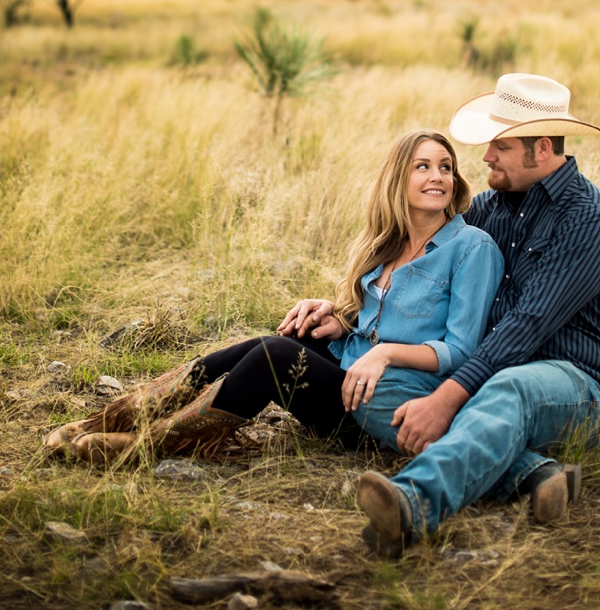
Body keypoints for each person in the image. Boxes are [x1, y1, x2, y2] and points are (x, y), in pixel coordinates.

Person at [43, 129, 503, 465]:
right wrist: (341, 319)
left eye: (445, 167)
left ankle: (160, 443)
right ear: (397, 180)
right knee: (257, 344)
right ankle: (115, 419)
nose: (437, 176)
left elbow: (462, 350)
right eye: (422, 166)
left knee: (276, 355)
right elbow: (384, 317)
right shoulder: (389, 244)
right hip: (349, 375)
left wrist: (384, 354)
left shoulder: (472, 247)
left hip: (392, 402)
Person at [329, 72, 600, 556]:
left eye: (501, 145)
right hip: (487, 379)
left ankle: (414, 503)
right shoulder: (490, 208)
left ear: (544, 149)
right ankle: (532, 473)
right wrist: (343, 315)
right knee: (369, 388)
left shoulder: (589, 217)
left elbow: (527, 325)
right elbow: (419, 272)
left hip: (575, 385)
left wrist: (445, 399)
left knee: (514, 387)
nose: (486, 155)